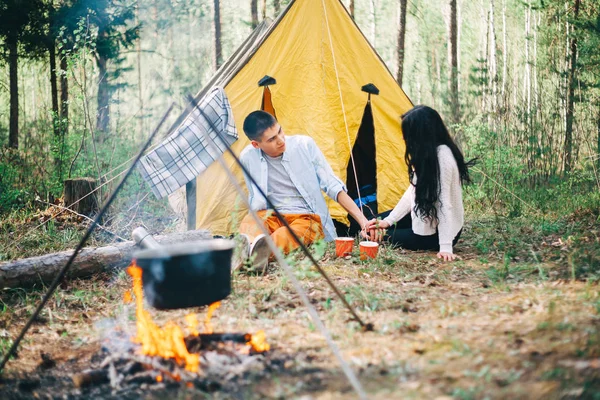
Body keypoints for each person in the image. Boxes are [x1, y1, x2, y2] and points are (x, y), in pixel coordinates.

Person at [237, 110, 371, 269]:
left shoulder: (304, 145)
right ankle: (247, 252)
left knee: (286, 234)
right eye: (272, 139)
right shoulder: (247, 157)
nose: (280, 140)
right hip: (271, 215)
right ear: (256, 144)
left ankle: (254, 257)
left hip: (306, 218)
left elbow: (333, 186)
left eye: (280, 131)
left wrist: (363, 221)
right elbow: (255, 197)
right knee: (251, 221)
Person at [365, 105, 474, 261]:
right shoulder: (428, 154)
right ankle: (378, 229)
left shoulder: (443, 157)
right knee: (371, 224)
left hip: (436, 233)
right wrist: (388, 221)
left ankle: (379, 235)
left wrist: (445, 247)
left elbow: (444, 204)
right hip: (423, 217)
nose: (405, 139)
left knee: (374, 235)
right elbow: (413, 192)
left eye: (408, 135)